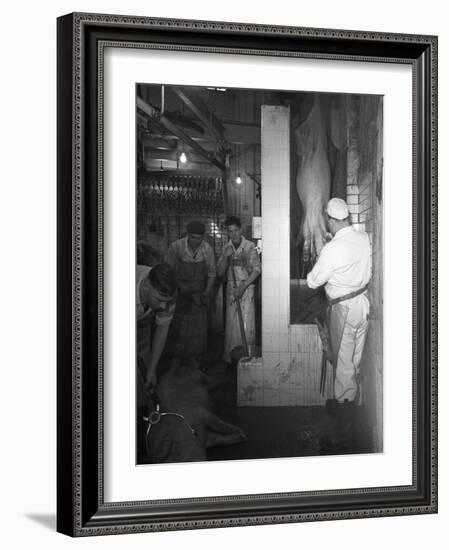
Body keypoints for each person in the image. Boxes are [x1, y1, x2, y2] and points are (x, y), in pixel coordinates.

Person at [307, 198, 371, 450]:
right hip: (362, 304)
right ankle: (347, 405)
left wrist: (324, 248)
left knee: (343, 365)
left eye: (329, 221)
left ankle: (345, 430)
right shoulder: (362, 238)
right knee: (353, 361)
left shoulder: (332, 248)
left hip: (343, 309)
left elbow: (313, 281)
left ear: (332, 220)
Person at [165, 221, 216, 359]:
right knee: (180, 322)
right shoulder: (176, 247)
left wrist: (206, 292)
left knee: (198, 325)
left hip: (199, 290)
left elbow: (212, 273)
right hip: (180, 290)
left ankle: (196, 355)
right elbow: (167, 272)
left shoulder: (207, 249)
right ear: (187, 235)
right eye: (193, 237)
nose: (196, 241)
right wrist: (181, 287)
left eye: (199, 238)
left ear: (203, 237)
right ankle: (177, 355)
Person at [217, 216, 261, 363]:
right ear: (227, 233)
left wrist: (243, 287)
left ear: (240, 229)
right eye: (230, 231)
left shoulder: (249, 246)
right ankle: (231, 359)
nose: (233, 234)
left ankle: (246, 357)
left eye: (236, 230)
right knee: (231, 324)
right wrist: (224, 257)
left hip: (247, 288)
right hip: (231, 289)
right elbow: (219, 272)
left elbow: (256, 270)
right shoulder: (226, 248)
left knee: (247, 324)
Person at [136, 262, 177, 394]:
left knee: (143, 373)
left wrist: (151, 370)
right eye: (159, 300)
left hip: (142, 319)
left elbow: (162, 328)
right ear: (146, 286)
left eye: (167, 301)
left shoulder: (167, 292)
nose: (164, 307)